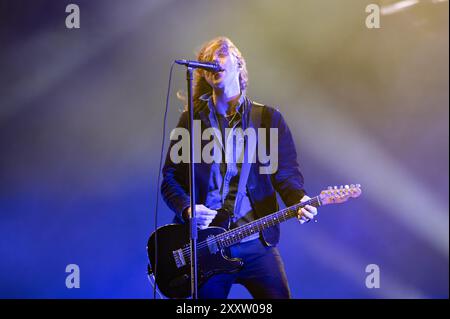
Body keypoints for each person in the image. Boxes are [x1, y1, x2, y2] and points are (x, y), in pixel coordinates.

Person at [161, 36, 317, 299]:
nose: (214, 61)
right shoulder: (191, 121)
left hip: (255, 243)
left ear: (238, 64)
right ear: (204, 75)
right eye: (207, 60)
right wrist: (188, 208)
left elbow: (286, 172)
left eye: (221, 54)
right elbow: (170, 177)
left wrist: (298, 198)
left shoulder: (267, 119)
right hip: (205, 246)